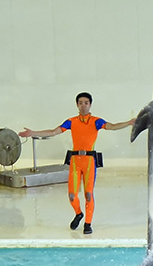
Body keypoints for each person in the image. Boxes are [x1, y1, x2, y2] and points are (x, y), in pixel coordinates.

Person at [20, 93, 135, 235]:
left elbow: (111, 126)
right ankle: (78, 213)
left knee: (88, 194)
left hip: (89, 162)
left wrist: (128, 123)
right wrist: (33, 133)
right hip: (75, 161)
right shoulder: (71, 121)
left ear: (90, 104)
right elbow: (53, 131)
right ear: (77, 105)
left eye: (86, 102)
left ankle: (88, 223)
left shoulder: (96, 121)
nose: (83, 105)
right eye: (80, 102)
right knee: (72, 195)